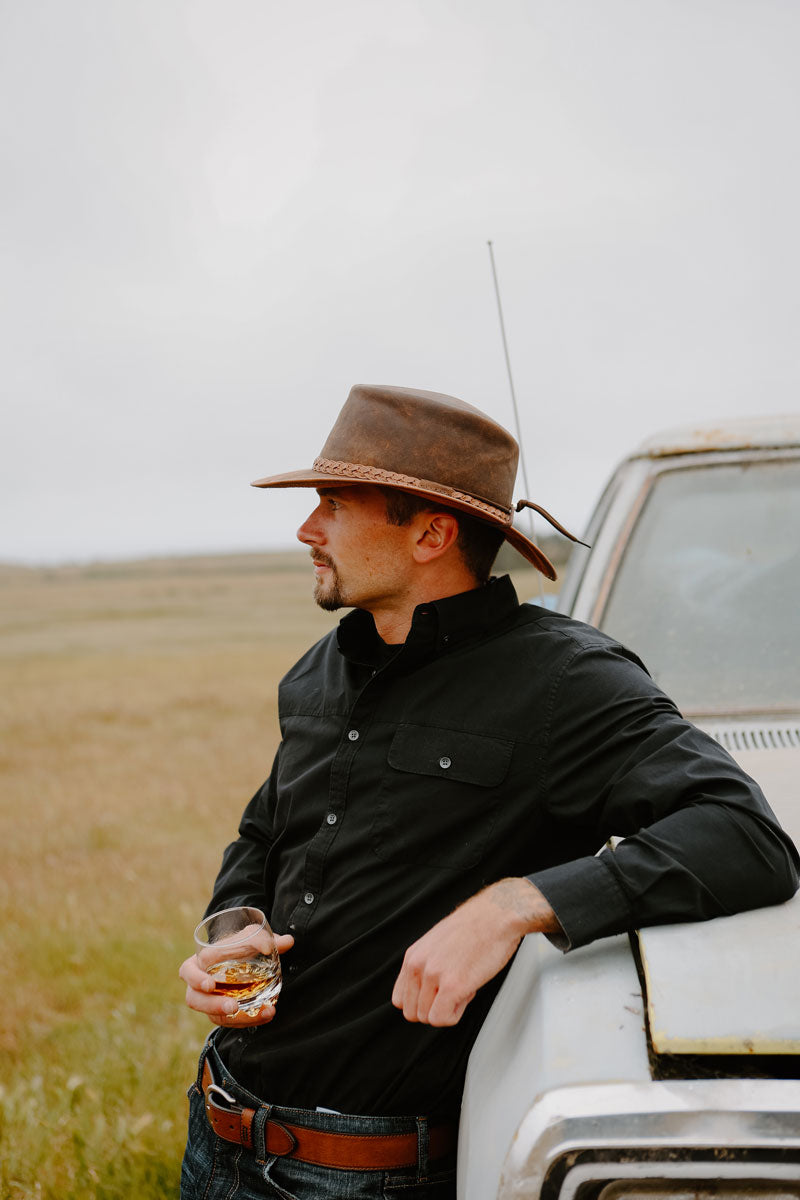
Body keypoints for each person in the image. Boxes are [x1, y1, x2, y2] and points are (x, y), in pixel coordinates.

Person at [179, 383, 798, 1200]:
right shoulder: (321, 668)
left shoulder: (566, 682)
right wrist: (238, 923)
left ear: (432, 532)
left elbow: (745, 836)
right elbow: (265, 832)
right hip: (218, 1136)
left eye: (333, 503)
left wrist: (515, 905)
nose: (307, 528)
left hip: (370, 1177)